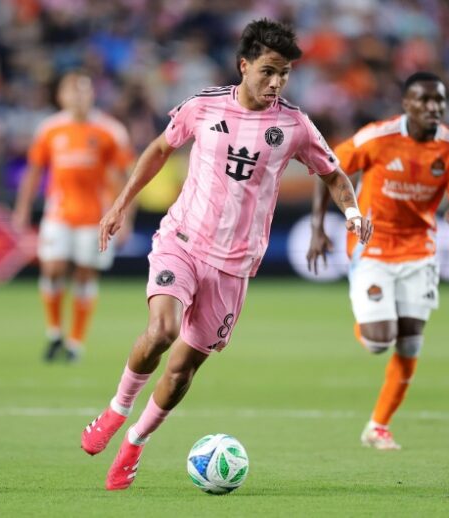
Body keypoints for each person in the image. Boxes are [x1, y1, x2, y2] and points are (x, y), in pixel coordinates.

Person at [81, 18, 372, 491]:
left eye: (284, 74)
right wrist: (120, 204)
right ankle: (117, 410)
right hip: (182, 241)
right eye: (268, 71)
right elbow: (159, 148)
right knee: (162, 330)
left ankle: (135, 442)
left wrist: (354, 214)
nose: (276, 83)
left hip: (234, 265)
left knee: (182, 369)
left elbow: (334, 175)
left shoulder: (294, 125)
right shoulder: (203, 106)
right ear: (244, 66)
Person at [307, 71, 449, 450]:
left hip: (420, 250)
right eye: (424, 100)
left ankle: (378, 426)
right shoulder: (377, 137)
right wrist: (318, 227)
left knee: (410, 343)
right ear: (406, 104)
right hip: (373, 245)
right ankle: (369, 318)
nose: (433, 107)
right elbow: (329, 169)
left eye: (439, 100)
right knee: (378, 341)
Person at [12, 72, 135, 362]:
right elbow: (34, 170)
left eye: (84, 91)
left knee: (84, 274)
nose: (79, 96)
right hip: (59, 212)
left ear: (92, 95)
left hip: (96, 216)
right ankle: (54, 332)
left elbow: (126, 177)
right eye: (73, 91)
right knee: (52, 268)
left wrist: (125, 217)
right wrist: (22, 207)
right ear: (61, 96)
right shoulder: (49, 129)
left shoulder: (110, 130)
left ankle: (75, 342)